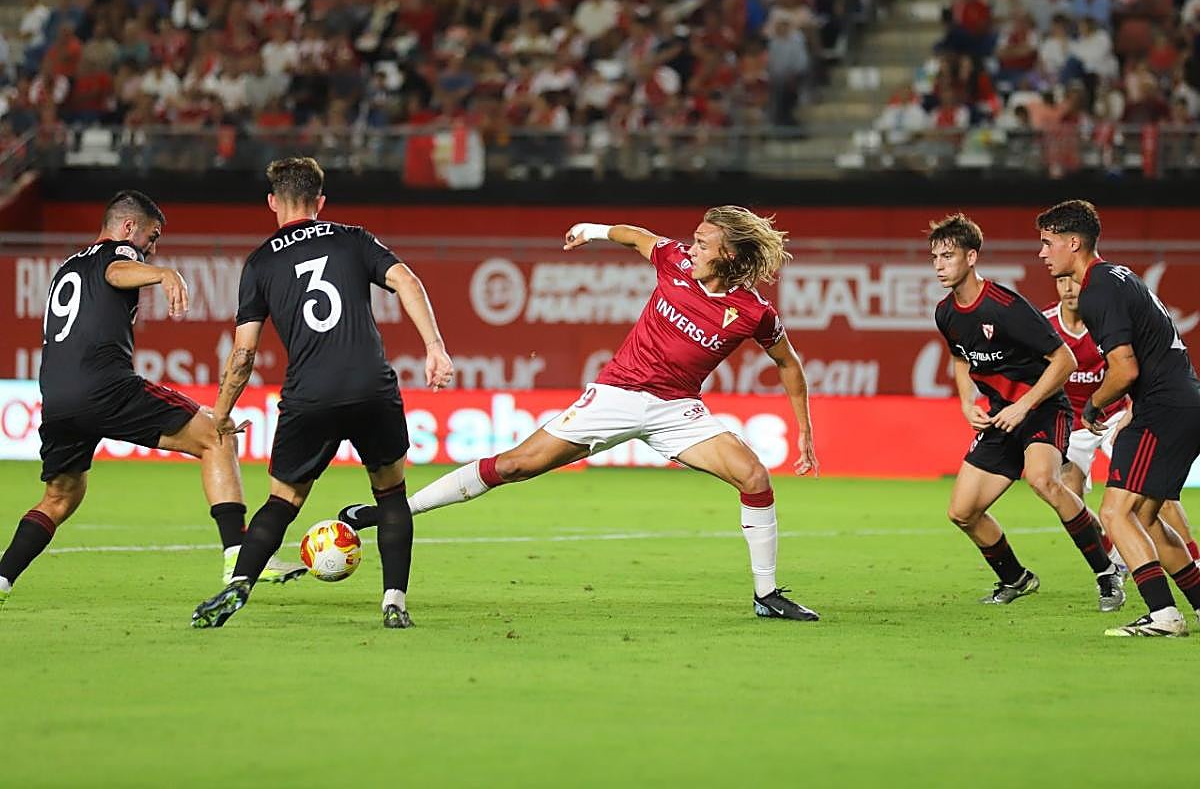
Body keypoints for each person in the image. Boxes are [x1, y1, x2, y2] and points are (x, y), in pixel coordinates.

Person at [341, 206, 822, 621]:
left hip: (677, 409)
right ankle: (393, 512)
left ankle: (767, 596)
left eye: (702, 242)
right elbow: (635, 236)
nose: (690, 247)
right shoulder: (672, 260)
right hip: (617, 396)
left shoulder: (753, 312)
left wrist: (804, 432)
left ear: (730, 255)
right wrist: (590, 229)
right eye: (693, 240)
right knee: (514, 465)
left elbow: (788, 363)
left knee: (755, 477)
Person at [0, 190, 304, 613]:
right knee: (217, 435)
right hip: (104, 386)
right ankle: (241, 557)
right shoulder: (120, 253)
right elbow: (117, 269)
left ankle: (2, 577)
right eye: (152, 237)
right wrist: (162, 273)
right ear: (128, 228)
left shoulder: (70, 265)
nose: (152, 247)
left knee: (61, 496)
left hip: (56, 396)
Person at [190, 157, 454, 630]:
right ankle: (394, 601)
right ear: (321, 202)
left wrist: (222, 411)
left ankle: (239, 586)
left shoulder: (260, 262)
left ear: (272, 202)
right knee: (391, 496)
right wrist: (435, 348)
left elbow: (244, 353)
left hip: (309, 395)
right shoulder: (353, 239)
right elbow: (407, 282)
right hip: (371, 386)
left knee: (281, 503)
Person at [930, 214, 1123, 609]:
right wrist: (968, 401)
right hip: (1003, 415)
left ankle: (1107, 575)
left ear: (971, 257)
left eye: (947, 256)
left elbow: (1064, 360)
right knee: (962, 512)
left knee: (1043, 481)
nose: (938, 265)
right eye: (934, 257)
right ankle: (1015, 578)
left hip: (1043, 408)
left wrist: (1024, 405)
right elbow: (960, 358)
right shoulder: (945, 313)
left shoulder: (1005, 306)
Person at [1037, 199, 1200, 637]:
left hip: (1161, 408)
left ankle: (1164, 614)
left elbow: (1125, 368)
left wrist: (1092, 405)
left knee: (1114, 513)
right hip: (1184, 400)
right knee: (1146, 516)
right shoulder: (1118, 275)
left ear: (1074, 243)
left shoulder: (1097, 290)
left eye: (1048, 243)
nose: (1042, 253)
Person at [1042, 275, 1200, 567]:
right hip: (1072, 422)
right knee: (1068, 498)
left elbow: (1134, 365)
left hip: (1115, 414)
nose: (1068, 288)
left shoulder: (1105, 318)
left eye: (1072, 281)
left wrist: (1133, 408)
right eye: (1061, 281)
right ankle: (1113, 559)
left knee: (1156, 493)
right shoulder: (1045, 324)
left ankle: (1195, 559)